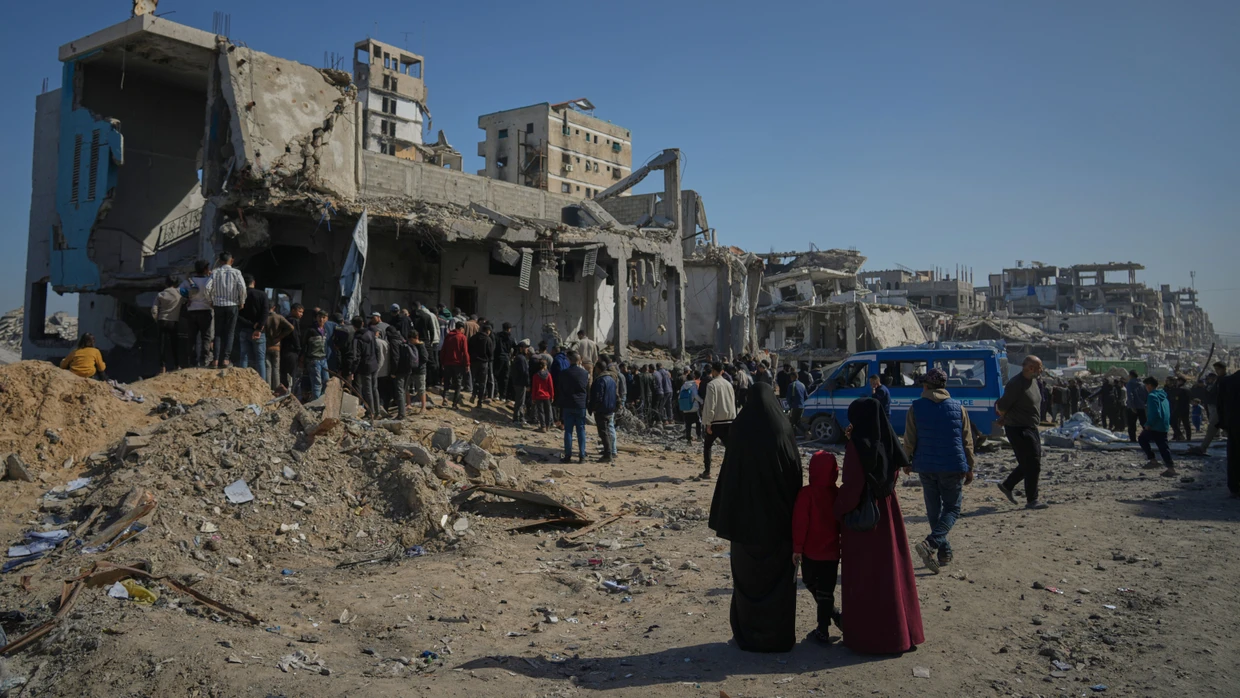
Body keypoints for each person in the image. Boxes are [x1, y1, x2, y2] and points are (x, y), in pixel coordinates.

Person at [708, 382, 803, 653]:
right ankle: (777, 637)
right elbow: (794, 472)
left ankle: (748, 635)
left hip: (745, 523)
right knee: (779, 582)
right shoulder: (782, 427)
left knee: (748, 579)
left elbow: (729, 474)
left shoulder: (740, 428)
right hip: (779, 523)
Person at [832, 397, 924, 654]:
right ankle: (903, 633)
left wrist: (837, 510)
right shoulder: (888, 440)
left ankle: (871, 637)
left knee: (869, 578)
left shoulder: (857, 447)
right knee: (893, 572)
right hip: (888, 511)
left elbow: (852, 488)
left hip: (865, 517)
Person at [902, 368, 975, 574]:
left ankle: (943, 552)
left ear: (926, 386)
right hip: (952, 466)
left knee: (934, 510)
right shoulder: (957, 408)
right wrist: (970, 466)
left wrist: (906, 461)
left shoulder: (915, 408)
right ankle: (932, 544)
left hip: (926, 466)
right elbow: (967, 441)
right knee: (952, 508)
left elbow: (909, 440)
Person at [792, 451, 842, 644]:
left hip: (811, 552)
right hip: (831, 553)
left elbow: (800, 523)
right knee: (826, 591)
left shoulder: (807, 494)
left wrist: (797, 548)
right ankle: (832, 617)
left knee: (811, 583)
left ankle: (824, 628)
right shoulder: (837, 494)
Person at [996, 355, 1049, 510]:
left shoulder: (1033, 381)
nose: (1041, 370)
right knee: (1033, 463)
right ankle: (1032, 499)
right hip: (1018, 428)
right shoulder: (1016, 384)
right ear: (1030, 368)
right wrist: (1004, 417)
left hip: (1030, 426)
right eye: (1039, 367)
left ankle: (1008, 485)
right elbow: (1003, 405)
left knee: (1030, 462)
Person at [208, 251, 246, 369]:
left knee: (218, 332)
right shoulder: (236, 272)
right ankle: (225, 360)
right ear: (232, 260)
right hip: (232, 305)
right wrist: (242, 301)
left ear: (219, 261)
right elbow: (242, 288)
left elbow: (207, 287)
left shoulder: (215, 272)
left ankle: (215, 360)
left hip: (218, 305)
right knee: (230, 332)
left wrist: (211, 300)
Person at [701, 361, 737, 479]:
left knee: (707, 446)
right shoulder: (728, 384)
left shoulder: (712, 385)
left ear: (713, 371)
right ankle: (733, 471)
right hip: (729, 420)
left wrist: (708, 423)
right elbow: (733, 403)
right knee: (730, 448)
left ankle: (707, 471)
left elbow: (711, 405)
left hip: (716, 422)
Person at [556, 351, 590, 463]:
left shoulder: (564, 373)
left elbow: (560, 389)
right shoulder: (585, 373)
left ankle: (568, 455)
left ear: (569, 360)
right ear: (579, 360)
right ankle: (582, 456)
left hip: (568, 404)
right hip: (580, 405)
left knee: (568, 431)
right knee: (581, 430)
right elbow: (586, 388)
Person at [1188, 362, 1230, 456]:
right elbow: (1212, 393)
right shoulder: (1219, 380)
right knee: (1212, 427)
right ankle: (1203, 448)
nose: (1217, 371)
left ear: (1223, 369)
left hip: (1227, 409)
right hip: (1220, 408)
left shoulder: (1228, 380)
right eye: (1216, 370)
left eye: (1218, 369)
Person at [179, 260, 214, 367]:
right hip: (206, 310)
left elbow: (180, 291)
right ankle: (205, 359)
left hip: (192, 311)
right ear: (205, 269)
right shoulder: (209, 280)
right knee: (206, 337)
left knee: (192, 337)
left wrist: (187, 298)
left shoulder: (188, 281)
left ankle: (193, 361)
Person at [1139, 376, 1176, 478]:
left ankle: (1153, 460)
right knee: (1163, 447)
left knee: (1142, 439)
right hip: (1163, 425)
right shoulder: (1163, 396)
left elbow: (1155, 413)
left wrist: (1148, 424)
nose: (1146, 388)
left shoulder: (1152, 396)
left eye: (1146, 385)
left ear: (1149, 385)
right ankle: (1170, 468)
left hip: (1155, 426)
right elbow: (1167, 411)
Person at [236, 274, 269, 382]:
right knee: (260, 360)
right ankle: (262, 384)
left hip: (244, 330)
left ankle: (242, 382)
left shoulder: (240, 295)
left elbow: (237, 315)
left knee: (243, 357)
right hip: (259, 332)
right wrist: (258, 328)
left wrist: (250, 324)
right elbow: (265, 313)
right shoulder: (262, 295)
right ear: (253, 282)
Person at [588, 358, 618, 463]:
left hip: (602, 409)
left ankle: (608, 454)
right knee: (608, 431)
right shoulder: (612, 379)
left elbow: (598, 397)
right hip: (610, 409)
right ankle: (609, 451)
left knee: (604, 432)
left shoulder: (600, 380)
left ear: (598, 368)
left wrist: (593, 408)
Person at [150, 276, 183, 373]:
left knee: (162, 345)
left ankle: (162, 367)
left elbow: (154, 310)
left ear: (166, 283)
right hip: (173, 321)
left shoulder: (160, 294)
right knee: (174, 344)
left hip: (162, 321)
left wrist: (157, 319)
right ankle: (177, 365)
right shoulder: (179, 293)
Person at [1217, 366, 1240, 498]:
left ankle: (1234, 487)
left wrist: (1223, 424)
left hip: (1233, 424)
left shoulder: (1227, 381)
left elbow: (1220, 404)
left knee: (1233, 454)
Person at [263, 302, 294, 392]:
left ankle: (267, 389)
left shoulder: (264, 318)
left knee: (268, 367)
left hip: (266, 345)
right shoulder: (279, 317)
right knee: (276, 368)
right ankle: (277, 389)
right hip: (276, 346)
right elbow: (291, 327)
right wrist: (280, 337)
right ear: (274, 307)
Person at [352, 316, 380, 418]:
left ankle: (370, 413)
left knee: (367, 391)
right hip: (374, 364)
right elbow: (376, 349)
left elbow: (357, 356)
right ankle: (377, 411)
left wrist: (353, 371)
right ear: (362, 323)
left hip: (365, 367)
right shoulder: (371, 334)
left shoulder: (357, 338)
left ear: (354, 326)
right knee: (374, 389)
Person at [440, 321, 470, 409]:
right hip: (458, 364)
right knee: (458, 384)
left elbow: (443, 350)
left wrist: (442, 362)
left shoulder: (448, 336)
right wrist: (467, 364)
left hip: (447, 363)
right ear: (461, 328)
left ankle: (445, 398)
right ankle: (454, 404)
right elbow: (465, 352)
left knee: (446, 382)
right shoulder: (462, 337)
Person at [303, 311, 330, 400]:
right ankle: (316, 404)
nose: (321, 319)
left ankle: (322, 401)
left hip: (323, 359)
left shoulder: (325, 330)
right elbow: (304, 344)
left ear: (326, 319)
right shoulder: (311, 330)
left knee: (326, 381)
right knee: (317, 383)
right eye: (319, 317)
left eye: (323, 317)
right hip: (314, 360)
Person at [388, 326, 413, 419]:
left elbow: (395, 358)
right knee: (403, 389)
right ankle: (402, 411)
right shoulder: (402, 339)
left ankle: (401, 414)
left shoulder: (394, 341)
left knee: (400, 391)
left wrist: (393, 372)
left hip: (400, 370)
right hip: (408, 369)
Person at [280, 304, 305, 396]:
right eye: (299, 311)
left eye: (302, 312)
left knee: (285, 374)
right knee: (291, 375)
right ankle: (288, 394)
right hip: (291, 351)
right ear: (293, 310)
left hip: (285, 350)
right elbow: (295, 336)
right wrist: (299, 348)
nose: (301, 314)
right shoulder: (293, 321)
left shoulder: (287, 319)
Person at [509, 340, 531, 426]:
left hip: (518, 383)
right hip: (520, 383)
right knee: (520, 402)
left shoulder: (519, 358)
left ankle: (521, 417)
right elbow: (524, 372)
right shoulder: (521, 359)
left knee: (521, 401)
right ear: (521, 349)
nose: (527, 350)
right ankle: (516, 418)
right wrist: (528, 384)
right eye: (525, 348)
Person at [678, 372, 704, 443]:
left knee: (688, 424)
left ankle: (688, 439)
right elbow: (696, 396)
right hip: (694, 408)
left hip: (685, 408)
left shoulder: (683, 386)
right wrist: (702, 401)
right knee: (698, 422)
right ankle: (699, 436)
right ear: (694, 378)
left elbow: (679, 397)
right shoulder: (694, 385)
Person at [409, 330, 430, 412]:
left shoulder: (421, 346)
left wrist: (416, 363)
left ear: (416, 338)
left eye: (411, 340)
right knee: (407, 387)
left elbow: (425, 358)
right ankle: (408, 404)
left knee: (421, 389)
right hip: (412, 370)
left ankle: (423, 407)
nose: (410, 341)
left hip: (420, 371)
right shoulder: (411, 346)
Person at [531, 358, 555, 432]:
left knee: (540, 412)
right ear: (545, 366)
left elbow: (534, 388)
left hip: (538, 396)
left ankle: (543, 426)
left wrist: (533, 397)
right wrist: (552, 396)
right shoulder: (548, 375)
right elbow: (551, 387)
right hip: (547, 396)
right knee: (547, 411)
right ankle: (547, 426)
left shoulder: (535, 376)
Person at [494, 323, 516, 402]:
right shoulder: (511, 338)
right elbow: (516, 348)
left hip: (498, 358)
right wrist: (513, 356)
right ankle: (503, 396)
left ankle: (496, 393)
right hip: (506, 358)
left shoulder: (497, 336)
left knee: (496, 375)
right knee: (505, 377)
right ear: (509, 329)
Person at [1124, 370, 1147, 443]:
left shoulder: (1130, 383)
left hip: (1132, 407)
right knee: (1144, 423)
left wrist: (1132, 407)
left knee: (1131, 425)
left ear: (1130, 375)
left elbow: (1130, 396)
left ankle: (1133, 440)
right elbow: (1146, 395)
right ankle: (1149, 438)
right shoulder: (1142, 384)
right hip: (1142, 407)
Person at [1169, 377, 1193, 441]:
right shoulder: (1188, 389)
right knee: (1186, 424)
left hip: (1178, 408)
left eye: (1177, 381)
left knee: (1172, 421)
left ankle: (1179, 435)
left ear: (1180, 381)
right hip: (1186, 408)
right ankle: (1188, 438)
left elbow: (1175, 398)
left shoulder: (1180, 389)